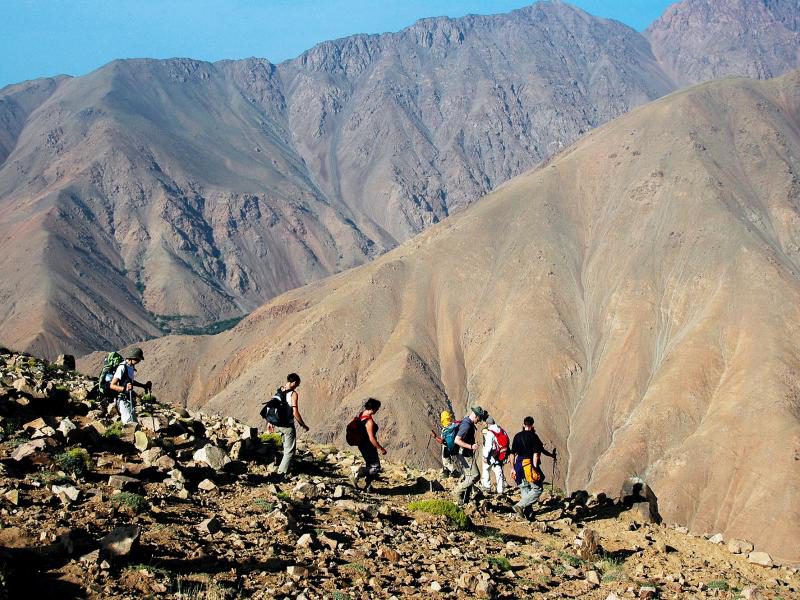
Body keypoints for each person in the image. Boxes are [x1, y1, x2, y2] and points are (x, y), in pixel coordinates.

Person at [510, 416, 557, 519]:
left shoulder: (517, 436)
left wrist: (512, 468)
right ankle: (520, 506)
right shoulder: (534, 436)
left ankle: (527, 514)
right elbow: (537, 453)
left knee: (525, 488)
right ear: (532, 425)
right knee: (537, 489)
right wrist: (535, 468)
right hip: (529, 465)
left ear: (524, 425)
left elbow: (512, 454)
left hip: (518, 466)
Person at [267, 373, 309, 478]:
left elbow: (272, 407)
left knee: (285, 448)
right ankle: (281, 473)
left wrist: (270, 422)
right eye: (297, 384)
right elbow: (295, 412)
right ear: (294, 382)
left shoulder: (279, 391)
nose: (297, 386)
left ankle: (284, 469)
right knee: (289, 451)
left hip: (278, 425)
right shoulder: (293, 394)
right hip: (287, 426)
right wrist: (303, 424)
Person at [452, 405, 487, 505]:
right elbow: (457, 440)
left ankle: (465, 499)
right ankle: (457, 491)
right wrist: (471, 446)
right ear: (476, 416)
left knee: (469, 476)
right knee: (475, 475)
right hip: (465, 455)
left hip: (461, 454)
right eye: (479, 418)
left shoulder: (466, 421)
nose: (479, 420)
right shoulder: (467, 425)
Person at [108, 347, 151, 425]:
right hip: (122, 400)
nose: (139, 361)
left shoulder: (131, 367)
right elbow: (112, 385)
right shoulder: (122, 367)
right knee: (129, 424)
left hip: (129, 399)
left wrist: (143, 386)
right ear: (132, 358)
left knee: (134, 423)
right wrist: (125, 389)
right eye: (138, 359)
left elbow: (130, 382)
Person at [352, 398, 387, 491]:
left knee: (370, 465)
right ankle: (358, 472)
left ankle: (368, 486)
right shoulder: (369, 421)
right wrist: (381, 448)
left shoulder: (362, 414)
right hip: (368, 446)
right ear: (373, 408)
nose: (377, 410)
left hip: (362, 445)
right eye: (377, 408)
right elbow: (371, 438)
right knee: (376, 467)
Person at [480, 416, 508, 494]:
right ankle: (500, 490)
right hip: (499, 454)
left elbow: (488, 446)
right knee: (498, 471)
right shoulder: (501, 430)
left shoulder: (490, 432)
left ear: (488, 424)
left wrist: (485, 456)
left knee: (486, 469)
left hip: (491, 454)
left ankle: (487, 487)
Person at [430, 410, 461, 478]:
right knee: (448, 460)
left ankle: (454, 471)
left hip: (446, 447)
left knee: (445, 461)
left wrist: (435, 436)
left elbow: (442, 441)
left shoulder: (445, 430)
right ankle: (447, 472)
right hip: (455, 446)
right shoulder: (454, 425)